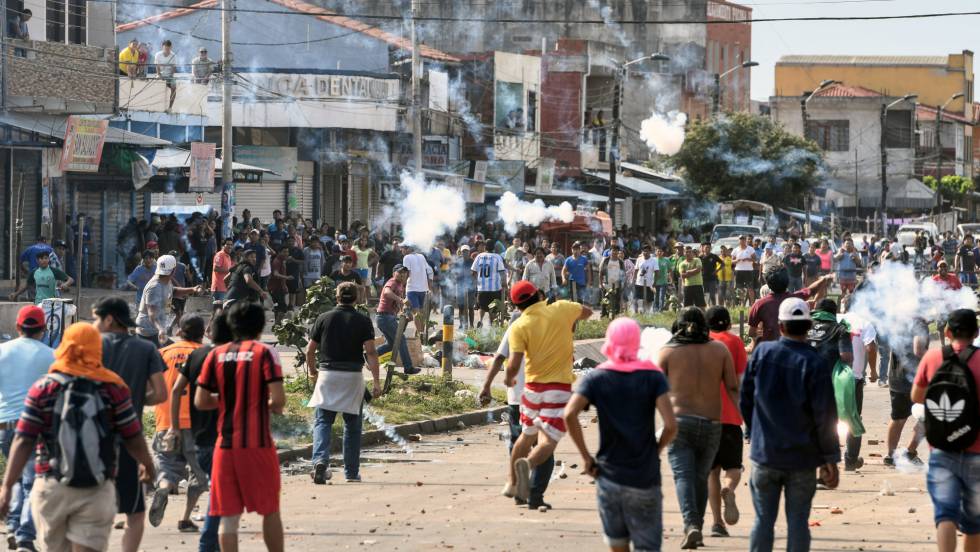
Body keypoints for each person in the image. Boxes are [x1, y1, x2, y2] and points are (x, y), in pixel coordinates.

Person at [0, 324, 155, 552]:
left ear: (64, 348)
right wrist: (148, 465)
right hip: (97, 486)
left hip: (51, 487)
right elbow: (133, 436)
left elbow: (24, 440)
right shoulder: (114, 388)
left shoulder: (43, 388)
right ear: (97, 349)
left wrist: (6, 487)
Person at [563, 318, 677, 552]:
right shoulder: (653, 376)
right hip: (645, 477)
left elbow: (569, 414)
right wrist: (656, 449)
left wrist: (586, 457)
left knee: (618, 546)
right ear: (637, 342)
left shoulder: (597, 377)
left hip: (609, 477)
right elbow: (671, 425)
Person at [741, 298, 840, 552]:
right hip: (802, 460)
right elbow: (825, 416)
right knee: (797, 522)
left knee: (763, 521)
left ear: (781, 326)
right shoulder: (815, 362)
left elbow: (745, 399)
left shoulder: (762, 353)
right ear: (808, 326)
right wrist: (830, 459)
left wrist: (754, 432)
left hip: (766, 457)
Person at [194, 301, 286, 552]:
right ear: (260, 326)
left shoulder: (216, 355)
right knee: (270, 510)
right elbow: (278, 401)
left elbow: (201, 401)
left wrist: (226, 400)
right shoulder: (264, 353)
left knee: (228, 516)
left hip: (224, 446)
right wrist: (257, 402)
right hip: (257, 445)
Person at [656, 307, 739, 548]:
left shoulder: (667, 352)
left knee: (684, 476)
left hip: (678, 425)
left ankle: (691, 525)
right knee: (701, 477)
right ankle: (698, 526)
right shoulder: (720, 350)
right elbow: (733, 389)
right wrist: (749, 420)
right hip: (713, 424)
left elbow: (652, 391)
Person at [504, 282, 592, 504]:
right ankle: (528, 465)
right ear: (538, 295)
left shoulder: (519, 325)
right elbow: (587, 312)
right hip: (558, 389)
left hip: (532, 389)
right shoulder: (561, 308)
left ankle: (513, 483)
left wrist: (508, 378)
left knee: (525, 436)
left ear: (516, 304)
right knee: (547, 442)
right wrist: (570, 321)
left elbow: (513, 365)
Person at [93, 296, 167, 552]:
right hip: (129, 439)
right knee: (135, 512)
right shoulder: (145, 349)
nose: (94, 324)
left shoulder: (92, 346)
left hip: (90, 439)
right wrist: (133, 398)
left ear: (109, 319)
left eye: (96, 318)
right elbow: (160, 394)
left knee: (92, 510)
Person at [912, 309, 980, 552]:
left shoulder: (932, 357)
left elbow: (917, 396)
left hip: (941, 449)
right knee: (973, 524)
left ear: (948, 332)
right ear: (976, 332)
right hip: (977, 451)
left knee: (945, 515)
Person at [306, 282, 381, 484]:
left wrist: (313, 372)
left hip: (328, 375)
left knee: (323, 422)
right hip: (352, 377)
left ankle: (320, 460)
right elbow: (371, 352)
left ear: (336, 297)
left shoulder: (324, 318)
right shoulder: (363, 321)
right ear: (357, 298)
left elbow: (310, 351)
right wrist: (376, 381)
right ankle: (351, 472)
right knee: (353, 426)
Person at [479, 312, 555, 510]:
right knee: (544, 446)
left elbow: (498, 359)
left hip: (516, 399)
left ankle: (517, 486)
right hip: (539, 398)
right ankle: (534, 494)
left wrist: (486, 386)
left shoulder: (513, 328)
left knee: (517, 443)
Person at [169, 314, 232, 552]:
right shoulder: (231, 358)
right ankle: (208, 543)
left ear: (209, 331)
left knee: (213, 486)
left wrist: (174, 426)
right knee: (221, 492)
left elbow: (176, 391)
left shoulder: (197, 355)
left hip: (198, 436)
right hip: (225, 438)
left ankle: (209, 540)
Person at [147, 316, 208, 533]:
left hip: (166, 422)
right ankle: (185, 518)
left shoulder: (163, 353)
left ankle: (163, 487)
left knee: (167, 465)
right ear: (203, 332)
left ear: (179, 330)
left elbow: (150, 388)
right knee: (199, 474)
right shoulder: (204, 355)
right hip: (197, 425)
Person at [0, 307, 54, 552]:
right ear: (43, 330)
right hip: (37, 428)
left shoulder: (1, 352)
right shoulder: (52, 356)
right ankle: (24, 535)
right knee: (32, 482)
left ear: (18, 327)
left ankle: (13, 525)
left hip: (6, 426)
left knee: (15, 477)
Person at [705, 306, 748, 539]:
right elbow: (740, 379)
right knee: (733, 467)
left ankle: (717, 523)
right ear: (729, 323)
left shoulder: (701, 342)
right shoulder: (735, 342)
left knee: (711, 472)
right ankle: (729, 488)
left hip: (706, 416)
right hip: (731, 415)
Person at [885, 316, 930, 468]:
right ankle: (910, 452)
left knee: (897, 417)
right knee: (929, 414)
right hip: (913, 378)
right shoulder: (919, 323)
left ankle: (891, 456)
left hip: (895, 377)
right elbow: (918, 349)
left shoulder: (899, 320)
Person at [748, 269, 833, 349]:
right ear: (787, 282)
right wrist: (823, 280)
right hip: (794, 349)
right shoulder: (795, 298)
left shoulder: (759, 305)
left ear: (768, 284)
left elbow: (751, 333)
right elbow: (811, 290)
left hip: (769, 349)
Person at [135, 255, 203, 348]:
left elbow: (172, 291)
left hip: (156, 331)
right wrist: (161, 329)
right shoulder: (155, 287)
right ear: (174, 270)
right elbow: (152, 315)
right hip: (148, 333)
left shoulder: (166, 280)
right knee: (171, 354)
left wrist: (193, 289)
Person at [375, 265, 419, 375]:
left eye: (404, 272)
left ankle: (369, 355)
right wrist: (400, 300)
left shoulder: (400, 285)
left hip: (387, 317)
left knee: (391, 344)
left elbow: (401, 305)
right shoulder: (392, 282)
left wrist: (406, 314)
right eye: (399, 272)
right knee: (401, 340)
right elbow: (386, 292)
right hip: (384, 317)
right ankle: (408, 367)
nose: (402, 274)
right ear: (394, 273)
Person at [9, 250, 73, 304]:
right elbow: (26, 286)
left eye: (46, 258)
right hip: (38, 303)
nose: (44, 260)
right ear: (37, 260)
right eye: (42, 258)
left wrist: (65, 284)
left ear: (48, 259)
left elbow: (70, 279)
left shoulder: (54, 271)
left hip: (52, 302)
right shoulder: (34, 272)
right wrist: (15, 294)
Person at [471, 241, 506, 327]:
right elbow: (502, 272)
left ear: (485, 247)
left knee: (482, 306)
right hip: (494, 289)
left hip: (481, 288)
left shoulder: (479, 256)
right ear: (494, 248)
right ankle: (492, 326)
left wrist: (477, 282)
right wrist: (504, 285)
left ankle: (480, 320)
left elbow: (473, 272)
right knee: (493, 308)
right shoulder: (497, 257)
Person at [402, 245, 433, 332]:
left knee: (416, 313)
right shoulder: (421, 256)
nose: (401, 250)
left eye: (403, 248)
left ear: (408, 249)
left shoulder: (406, 258)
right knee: (421, 314)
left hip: (412, 289)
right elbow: (428, 271)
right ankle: (421, 334)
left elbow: (406, 273)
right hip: (423, 289)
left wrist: (402, 285)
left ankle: (420, 335)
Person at [634, 244, 658, 313]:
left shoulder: (654, 260)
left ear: (650, 252)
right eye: (644, 251)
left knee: (649, 299)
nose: (645, 253)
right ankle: (640, 311)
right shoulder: (639, 259)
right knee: (639, 298)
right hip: (639, 282)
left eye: (647, 251)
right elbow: (636, 270)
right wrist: (634, 279)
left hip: (649, 283)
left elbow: (657, 272)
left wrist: (655, 282)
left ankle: (648, 312)